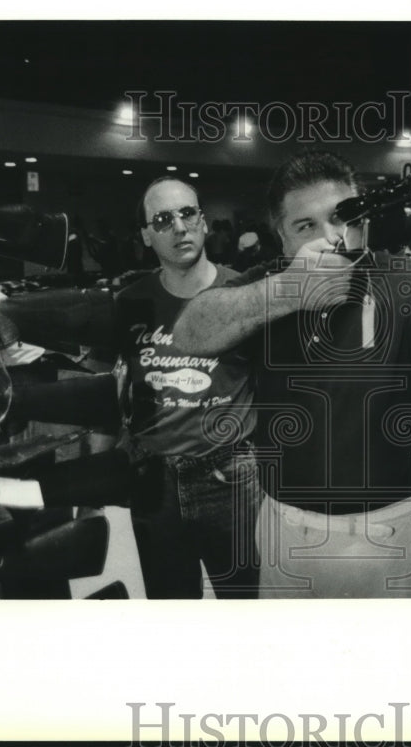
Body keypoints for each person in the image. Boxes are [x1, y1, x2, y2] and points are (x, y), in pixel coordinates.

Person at [171, 150, 411, 598]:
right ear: (282, 236)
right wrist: (290, 290)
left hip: (408, 521)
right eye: (305, 226)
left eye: (341, 217)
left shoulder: (410, 280)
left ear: (364, 219)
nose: (330, 236)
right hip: (290, 525)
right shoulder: (270, 281)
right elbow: (190, 334)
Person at [115, 177, 261, 599]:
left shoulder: (243, 291)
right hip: (153, 482)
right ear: (146, 235)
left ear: (203, 222)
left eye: (187, 213)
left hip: (231, 478)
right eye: (162, 219)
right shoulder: (129, 302)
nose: (179, 227)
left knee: (249, 609)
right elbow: (111, 387)